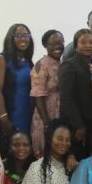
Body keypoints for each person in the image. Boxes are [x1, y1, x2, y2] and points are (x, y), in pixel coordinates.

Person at [58, 28, 92, 158]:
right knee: (77, 157)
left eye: (91, 42)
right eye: (83, 42)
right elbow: (66, 98)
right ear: (75, 46)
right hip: (76, 123)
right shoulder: (68, 65)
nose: (88, 46)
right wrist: (79, 125)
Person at [0, 23, 35, 141]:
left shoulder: (29, 62)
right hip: (11, 115)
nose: (23, 39)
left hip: (29, 114)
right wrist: (4, 118)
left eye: (26, 35)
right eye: (18, 35)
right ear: (11, 38)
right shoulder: (2, 59)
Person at [30, 29, 63, 157]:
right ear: (45, 45)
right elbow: (38, 96)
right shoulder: (41, 65)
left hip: (60, 114)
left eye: (60, 42)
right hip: (46, 115)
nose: (58, 46)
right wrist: (46, 123)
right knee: (46, 151)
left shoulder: (62, 63)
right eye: (53, 43)